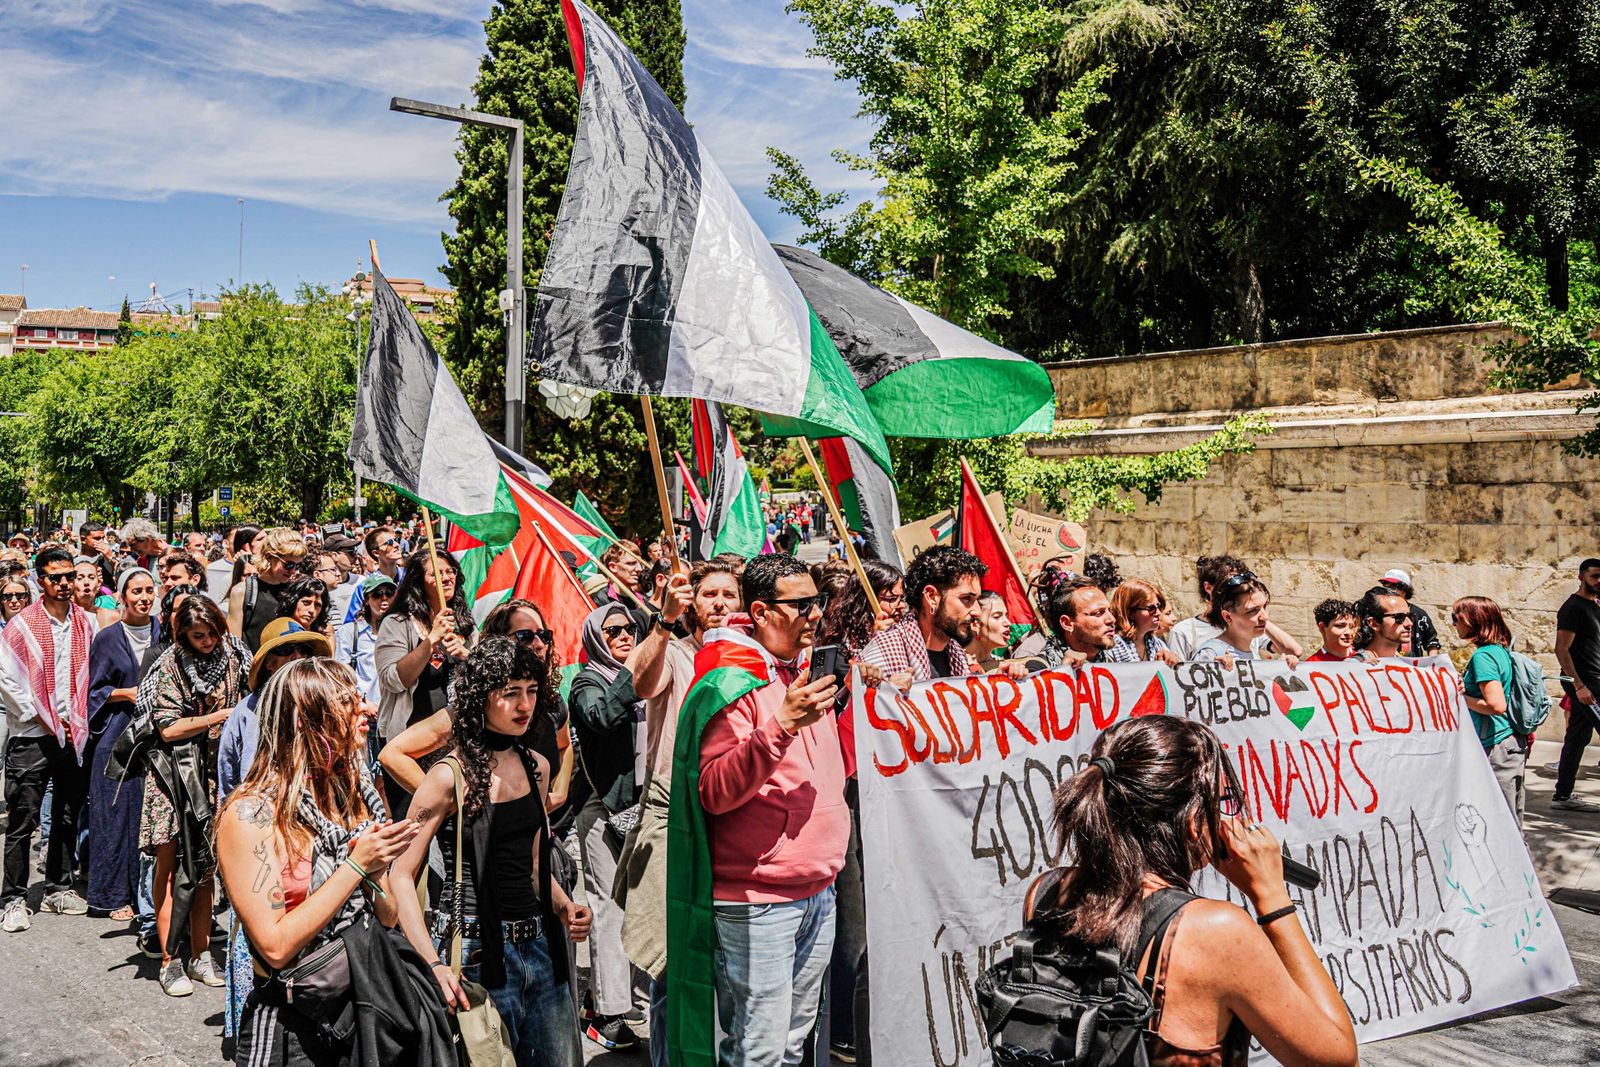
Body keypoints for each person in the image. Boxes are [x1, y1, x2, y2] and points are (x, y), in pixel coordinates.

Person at [1045, 716, 1358, 1067]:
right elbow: (1337, 1059)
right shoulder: (1216, 930)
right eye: (1221, 800)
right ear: (1195, 823)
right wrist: (1272, 899)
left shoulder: (1047, 892)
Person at [672, 553, 848, 1067]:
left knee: (793, 1045)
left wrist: (874, 700)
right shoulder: (730, 679)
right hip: (757, 900)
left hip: (819, 890)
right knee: (759, 1050)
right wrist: (783, 723)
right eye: (802, 605)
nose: (816, 615)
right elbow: (714, 790)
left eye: (818, 602)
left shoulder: (807, 670)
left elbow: (837, 770)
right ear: (762, 611)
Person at [216, 659, 435, 1067]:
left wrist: (373, 872)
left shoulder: (350, 797)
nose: (367, 709)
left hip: (361, 1008)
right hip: (292, 1028)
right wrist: (354, 867)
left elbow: (386, 919)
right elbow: (275, 947)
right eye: (349, 703)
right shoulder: (249, 815)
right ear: (306, 721)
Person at [390, 638, 592, 1067]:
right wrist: (433, 964)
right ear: (481, 697)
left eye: (532, 691)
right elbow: (401, 875)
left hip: (541, 949)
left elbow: (537, 867)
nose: (525, 704)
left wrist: (565, 905)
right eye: (511, 692)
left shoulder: (536, 765)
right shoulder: (449, 775)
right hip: (475, 956)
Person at [615, 557, 743, 1067]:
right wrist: (663, 622)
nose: (717, 604)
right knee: (674, 965)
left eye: (727, 595)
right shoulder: (676, 650)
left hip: (731, 816)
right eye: (707, 594)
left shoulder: (749, 659)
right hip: (675, 812)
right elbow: (640, 685)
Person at [137, 594, 250, 995]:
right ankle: (170, 960)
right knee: (168, 869)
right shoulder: (168, 664)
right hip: (172, 777)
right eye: (199, 635)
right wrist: (218, 717)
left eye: (213, 633)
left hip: (214, 773)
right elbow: (166, 728)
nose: (208, 641)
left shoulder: (235, 658)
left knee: (204, 871)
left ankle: (201, 954)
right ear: (182, 634)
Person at [0, 546, 99, 933]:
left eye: (69, 576)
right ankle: (12, 898)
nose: (64, 584)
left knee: (67, 812)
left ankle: (59, 886)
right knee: (23, 819)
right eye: (55, 577)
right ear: (40, 579)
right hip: (32, 734)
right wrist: (42, 712)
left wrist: (74, 717)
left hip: (72, 734)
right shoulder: (21, 625)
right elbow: (8, 680)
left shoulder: (86, 623)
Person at [570, 603, 648, 1050]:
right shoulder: (587, 681)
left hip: (644, 807)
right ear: (595, 638)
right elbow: (602, 717)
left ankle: (624, 992)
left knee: (639, 904)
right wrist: (632, 674)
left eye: (629, 629)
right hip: (602, 808)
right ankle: (606, 1009)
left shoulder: (644, 673)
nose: (624, 636)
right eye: (612, 630)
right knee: (607, 907)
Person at [86, 567, 161, 921]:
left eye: (149, 590)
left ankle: (148, 894)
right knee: (114, 815)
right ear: (122, 595)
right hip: (117, 734)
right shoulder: (107, 638)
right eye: (136, 591)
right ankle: (114, 895)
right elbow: (95, 691)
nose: (144, 597)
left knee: (148, 817)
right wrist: (125, 693)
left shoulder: (165, 632)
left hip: (156, 735)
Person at [373, 546, 472, 812]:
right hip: (409, 746)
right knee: (413, 826)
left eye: (451, 571)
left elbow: (482, 675)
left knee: (454, 821)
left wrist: (466, 653)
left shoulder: (464, 623)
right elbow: (393, 679)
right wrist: (430, 641)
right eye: (437, 574)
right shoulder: (397, 622)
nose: (447, 578)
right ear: (419, 582)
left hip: (454, 742)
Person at [860, 545, 989, 683]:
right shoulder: (883, 653)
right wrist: (887, 694)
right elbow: (858, 701)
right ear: (931, 597)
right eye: (966, 598)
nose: (977, 611)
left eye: (977, 600)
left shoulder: (957, 655)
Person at [1452, 596, 1528, 827]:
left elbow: (1496, 705)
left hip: (1496, 745)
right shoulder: (1499, 650)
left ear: (1473, 620)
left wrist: (1462, 698)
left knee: (1503, 825)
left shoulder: (1483, 656)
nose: (1454, 624)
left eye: (1456, 618)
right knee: (1510, 821)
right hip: (1508, 743)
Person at [1167, 556, 1302, 661]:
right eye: (1229, 583)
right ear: (1208, 587)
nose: (1241, 586)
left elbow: (1294, 650)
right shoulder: (1188, 633)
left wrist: (1258, 612)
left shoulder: (1249, 630)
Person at [1552, 558, 1600, 813]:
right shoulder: (1573, 608)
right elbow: (1561, 649)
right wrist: (1579, 686)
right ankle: (1562, 794)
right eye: (1594, 576)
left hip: (1595, 681)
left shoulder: (1595, 606)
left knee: (1577, 737)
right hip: (1585, 684)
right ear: (1581, 577)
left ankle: (1562, 795)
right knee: (1577, 737)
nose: (1599, 580)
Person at [227, 527, 307, 652]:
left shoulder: (297, 591)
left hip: (288, 668)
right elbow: (233, 645)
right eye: (289, 565)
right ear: (270, 557)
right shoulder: (243, 591)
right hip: (253, 668)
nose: (293, 571)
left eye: (298, 565)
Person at [1193, 574, 1297, 669]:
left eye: (1264, 607)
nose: (1264, 617)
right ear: (1228, 617)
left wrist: (1280, 671)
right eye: (1253, 610)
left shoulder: (1251, 649)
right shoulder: (1210, 654)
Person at [815, 559, 904, 658]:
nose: (901, 605)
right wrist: (876, 642)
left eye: (902, 598)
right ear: (865, 601)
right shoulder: (840, 648)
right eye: (891, 599)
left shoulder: (908, 633)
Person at [334, 573, 396, 706]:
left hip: (397, 713)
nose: (384, 598)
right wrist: (363, 702)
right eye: (377, 594)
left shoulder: (402, 632)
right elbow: (340, 678)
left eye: (389, 593)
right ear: (367, 600)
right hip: (365, 713)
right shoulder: (349, 633)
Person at [1036, 571, 1118, 666]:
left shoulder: (1111, 664)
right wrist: (1064, 671)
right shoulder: (1039, 670)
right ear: (1067, 623)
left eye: (1110, 611)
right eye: (1098, 613)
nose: (1111, 619)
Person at [342, 525, 405, 624]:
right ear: (376, 553)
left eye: (396, 540)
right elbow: (350, 625)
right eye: (389, 543)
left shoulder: (410, 578)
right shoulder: (364, 587)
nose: (396, 545)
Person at [1106, 579, 1179, 665]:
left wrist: (1170, 661)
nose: (1158, 613)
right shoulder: (1111, 646)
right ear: (1130, 613)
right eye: (1151, 609)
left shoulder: (1156, 644)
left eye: (1158, 607)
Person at [1378, 568, 1442, 657]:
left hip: (1412, 667)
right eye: (1385, 586)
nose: (1387, 591)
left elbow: (1432, 642)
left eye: (1392, 587)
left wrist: (1432, 664)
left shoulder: (1419, 614)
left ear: (1404, 591)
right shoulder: (1377, 612)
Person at [1355, 585, 1414, 660]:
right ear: (1374, 623)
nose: (1409, 623)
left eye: (1410, 616)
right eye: (1399, 617)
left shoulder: (1408, 665)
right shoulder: (1354, 667)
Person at [205, 525, 257, 607]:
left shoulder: (257, 569)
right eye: (238, 539)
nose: (244, 543)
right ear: (226, 543)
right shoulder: (211, 569)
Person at [963, 590, 1013, 672]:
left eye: (1006, 616)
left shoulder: (1004, 665)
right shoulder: (955, 663)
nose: (1008, 623)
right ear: (975, 625)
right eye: (997, 616)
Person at [277, 574, 331, 639]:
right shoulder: (277, 630)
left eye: (317, 605)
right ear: (293, 601)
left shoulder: (322, 637)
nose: (312, 610)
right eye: (306, 602)